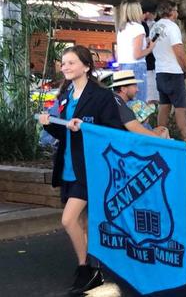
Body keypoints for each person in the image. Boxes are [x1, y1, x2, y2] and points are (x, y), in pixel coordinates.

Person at [38, 46, 123, 295]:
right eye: (63, 63)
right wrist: (49, 124)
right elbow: (64, 133)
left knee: (68, 219)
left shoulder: (101, 96)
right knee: (83, 224)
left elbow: (114, 131)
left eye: (71, 63)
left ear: (86, 66)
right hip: (67, 167)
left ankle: (85, 267)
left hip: (91, 169)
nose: (65, 67)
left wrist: (84, 126)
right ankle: (94, 271)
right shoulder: (65, 96)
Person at [149, 0, 186, 141]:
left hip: (160, 71)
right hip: (174, 72)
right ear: (171, 11)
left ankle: (160, 136)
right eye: (176, 10)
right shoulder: (173, 27)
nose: (177, 12)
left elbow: (152, 46)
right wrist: (185, 68)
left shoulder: (154, 27)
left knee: (164, 105)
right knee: (180, 107)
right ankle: (185, 138)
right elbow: (178, 51)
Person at [115, 0, 156, 102]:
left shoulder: (122, 28)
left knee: (127, 102)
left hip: (123, 66)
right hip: (136, 66)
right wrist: (150, 48)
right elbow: (137, 55)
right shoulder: (138, 27)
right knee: (139, 103)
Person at [109, 70, 169, 137]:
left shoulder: (113, 99)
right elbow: (138, 130)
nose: (137, 90)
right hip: (122, 143)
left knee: (162, 130)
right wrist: (162, 141)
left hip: (117, 139)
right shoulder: (120, 106)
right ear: (123, 89)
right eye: (134, 86)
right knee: (163, 132)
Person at [141, 0, 159, 104]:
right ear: (148, 13)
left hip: (148, 63)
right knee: (148, 98)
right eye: (154, 13)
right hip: (147, 64)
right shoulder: (142, 26)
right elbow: (148, 44)